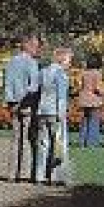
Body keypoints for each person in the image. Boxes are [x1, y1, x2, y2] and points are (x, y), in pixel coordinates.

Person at [3, 35, 40, 181]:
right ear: (28, 45)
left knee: (16, 139)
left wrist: (11, 102)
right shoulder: (31, 63)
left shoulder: (12, 61)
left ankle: (12, 174)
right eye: (36, 46)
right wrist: (24, 99)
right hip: (27, 105)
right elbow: (34, 86)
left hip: (13, 104)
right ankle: (26, 173)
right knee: (29, 140)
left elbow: (7, 84)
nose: (37, 49)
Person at [34, 47, 72, 185]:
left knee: (43, 144)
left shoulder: (43, 72)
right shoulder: (61, 74)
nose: (70, 63)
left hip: (41, 111)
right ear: (62, 59)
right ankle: (55, 176)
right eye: (69, 60)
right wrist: (62, 115)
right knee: (58, 145)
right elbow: (61, 97)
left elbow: (35, 89)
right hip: (55, 112)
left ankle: (39, 175)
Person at [77, 51, 104, 147]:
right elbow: (98, 88)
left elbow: (80, 85)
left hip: (83, 99)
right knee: (94, 121)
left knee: (85, 121)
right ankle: (92, 142)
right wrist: (103, 92)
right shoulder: (97, 73)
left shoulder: (84, 73)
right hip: (94, 100)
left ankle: (82, 141)